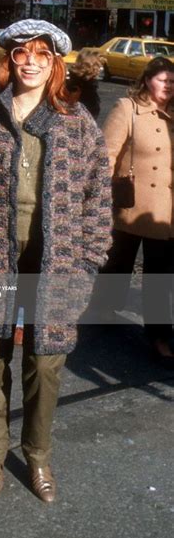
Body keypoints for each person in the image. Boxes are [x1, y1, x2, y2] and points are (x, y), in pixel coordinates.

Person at [0, 19, 112, 503]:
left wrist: (90, 262)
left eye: (40, 55)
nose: (29, 62)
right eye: (20, 54)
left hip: (57, 265)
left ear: (55, 64)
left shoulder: (76, 122)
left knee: (45, 367)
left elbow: (97, 200)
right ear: (7, 60)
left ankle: (38, 456)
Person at [101, 56, 174, 365]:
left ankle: (159, 336)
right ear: (147, 80)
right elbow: (107, 155)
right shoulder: (127, 109)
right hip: (130, 205)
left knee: (159, 276)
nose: (168, 85)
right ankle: (103, 308)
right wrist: (97, 200)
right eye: (162, 80)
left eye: (173, 81)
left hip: (164, 212)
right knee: (118, 264)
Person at [66, 48, 103, 120]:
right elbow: (92, 112)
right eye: (98, 66)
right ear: (92, 67)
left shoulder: (71, 81)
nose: (100, 69)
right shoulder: (87, 88)